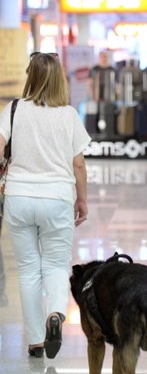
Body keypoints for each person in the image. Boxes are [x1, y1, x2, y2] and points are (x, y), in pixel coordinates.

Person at [0, 52, 90, 359]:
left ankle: (36, 341)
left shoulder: (12, 109)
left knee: (27, 270)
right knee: (54, 265)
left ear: (30, 76)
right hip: (57, 198)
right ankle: (55, 314)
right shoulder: (68, 115)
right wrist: (83, 199)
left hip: (19, 197)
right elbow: (78, 165)